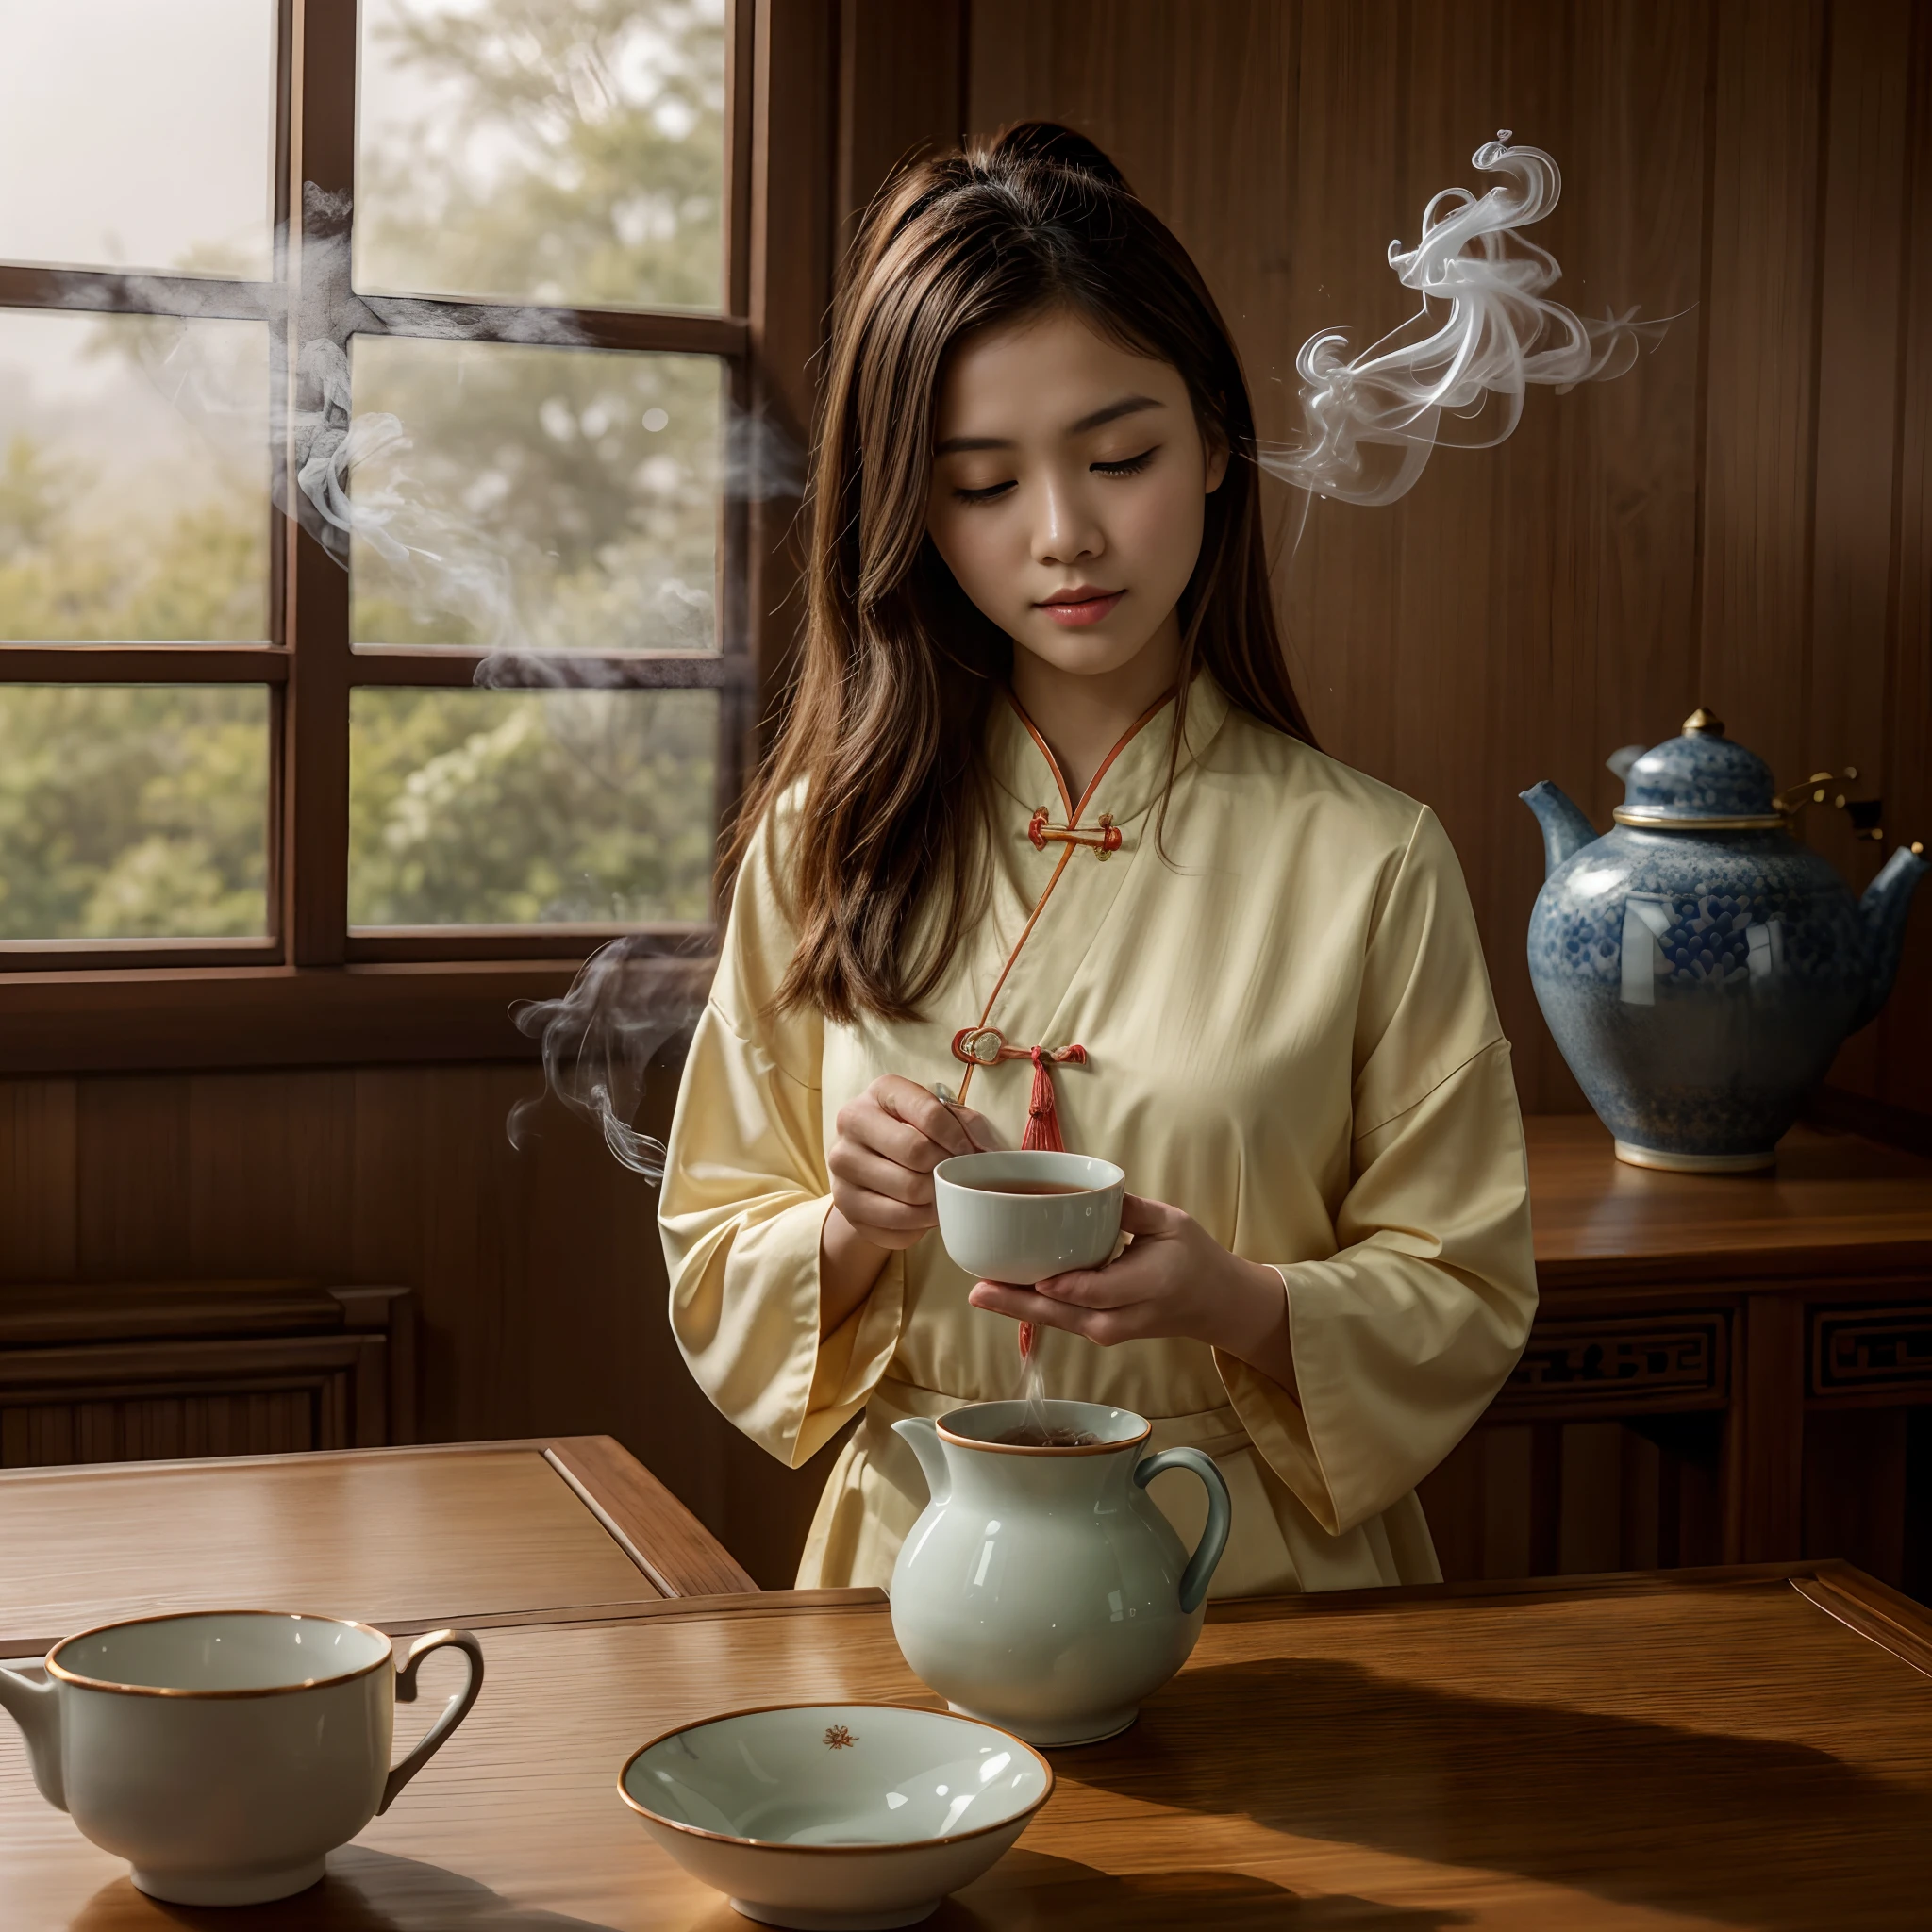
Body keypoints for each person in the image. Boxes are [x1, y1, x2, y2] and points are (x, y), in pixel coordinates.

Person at [659, 122, 1536, 1595]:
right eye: (984, 486)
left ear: (1209, 444)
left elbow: (1464, 1286)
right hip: (922, 1562)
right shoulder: (826, 841)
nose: (1064, 536)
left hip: (1254, 1565)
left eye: (1119, 455)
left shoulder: (1374, 861)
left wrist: (1242, 1302)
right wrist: (848, 1226)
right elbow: (711, 1248)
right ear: (914, 515)